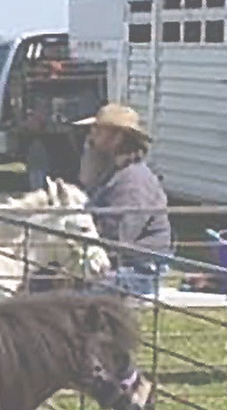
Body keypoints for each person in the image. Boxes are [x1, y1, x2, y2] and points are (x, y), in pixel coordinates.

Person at [73, 103, 172, 295]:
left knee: (63, 298)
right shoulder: (112, 174)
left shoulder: (133, 181)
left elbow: (115, 238)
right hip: (114, 265)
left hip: (136, 272)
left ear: (117, 137)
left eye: (97, 131)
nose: (90, 137)